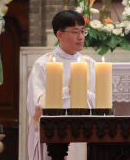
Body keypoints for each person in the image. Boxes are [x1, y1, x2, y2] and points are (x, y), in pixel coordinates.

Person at [27, 10, 96, 160]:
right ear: (60, 35)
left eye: (83, 31)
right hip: (54, 136)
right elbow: (37, 104)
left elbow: (101, 102)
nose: (81, 37)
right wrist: (69, 92)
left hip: (85, 132)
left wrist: (81, 94)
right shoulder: (43, 64)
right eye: (75, 32)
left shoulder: (90, 64)